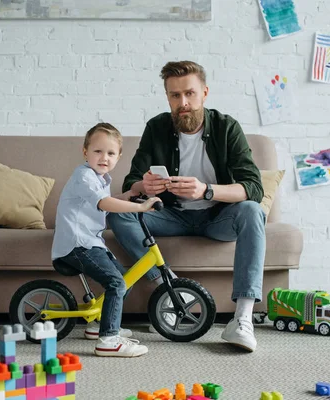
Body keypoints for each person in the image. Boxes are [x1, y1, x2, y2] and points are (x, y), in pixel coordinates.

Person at [107, 61, 266, 352]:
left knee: (253, 211)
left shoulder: (226, 127)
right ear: (167, 97)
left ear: (204, 93)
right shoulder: (157, 127)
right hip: (170, 215)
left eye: (190, 94)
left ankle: (243, 319)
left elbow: (253, 188)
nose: (183, 103)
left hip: (218, 218)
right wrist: (145, 187)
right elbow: (130, 184)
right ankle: (169, 289)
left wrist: (206, 191)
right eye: (175, 96)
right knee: (118, 212)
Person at [51, 122, 161, 357]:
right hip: (77, 244)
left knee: (124, 279)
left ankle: (98, 324)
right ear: (85, 152)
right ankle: (108, 339)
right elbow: (103, 204)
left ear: (119, 157)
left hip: (89, 242)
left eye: (111, 153)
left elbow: (103, 201)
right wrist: (140, 206)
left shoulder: (100, 179)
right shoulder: (84, 176)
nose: (104, 157)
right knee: (117, 283)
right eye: (98, 151)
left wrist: (128, 195)